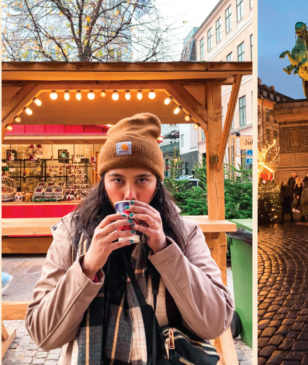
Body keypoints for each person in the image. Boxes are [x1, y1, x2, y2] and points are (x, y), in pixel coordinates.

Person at [26, 113, 233, 364]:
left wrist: (164, 249)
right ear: (103, 182)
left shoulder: (184, 232)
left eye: (142, 180)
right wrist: (88, 265)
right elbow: (42, 334)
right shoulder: (72, 233)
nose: (130, 194)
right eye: (117, 180)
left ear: (158, 183)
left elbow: (215, 323)